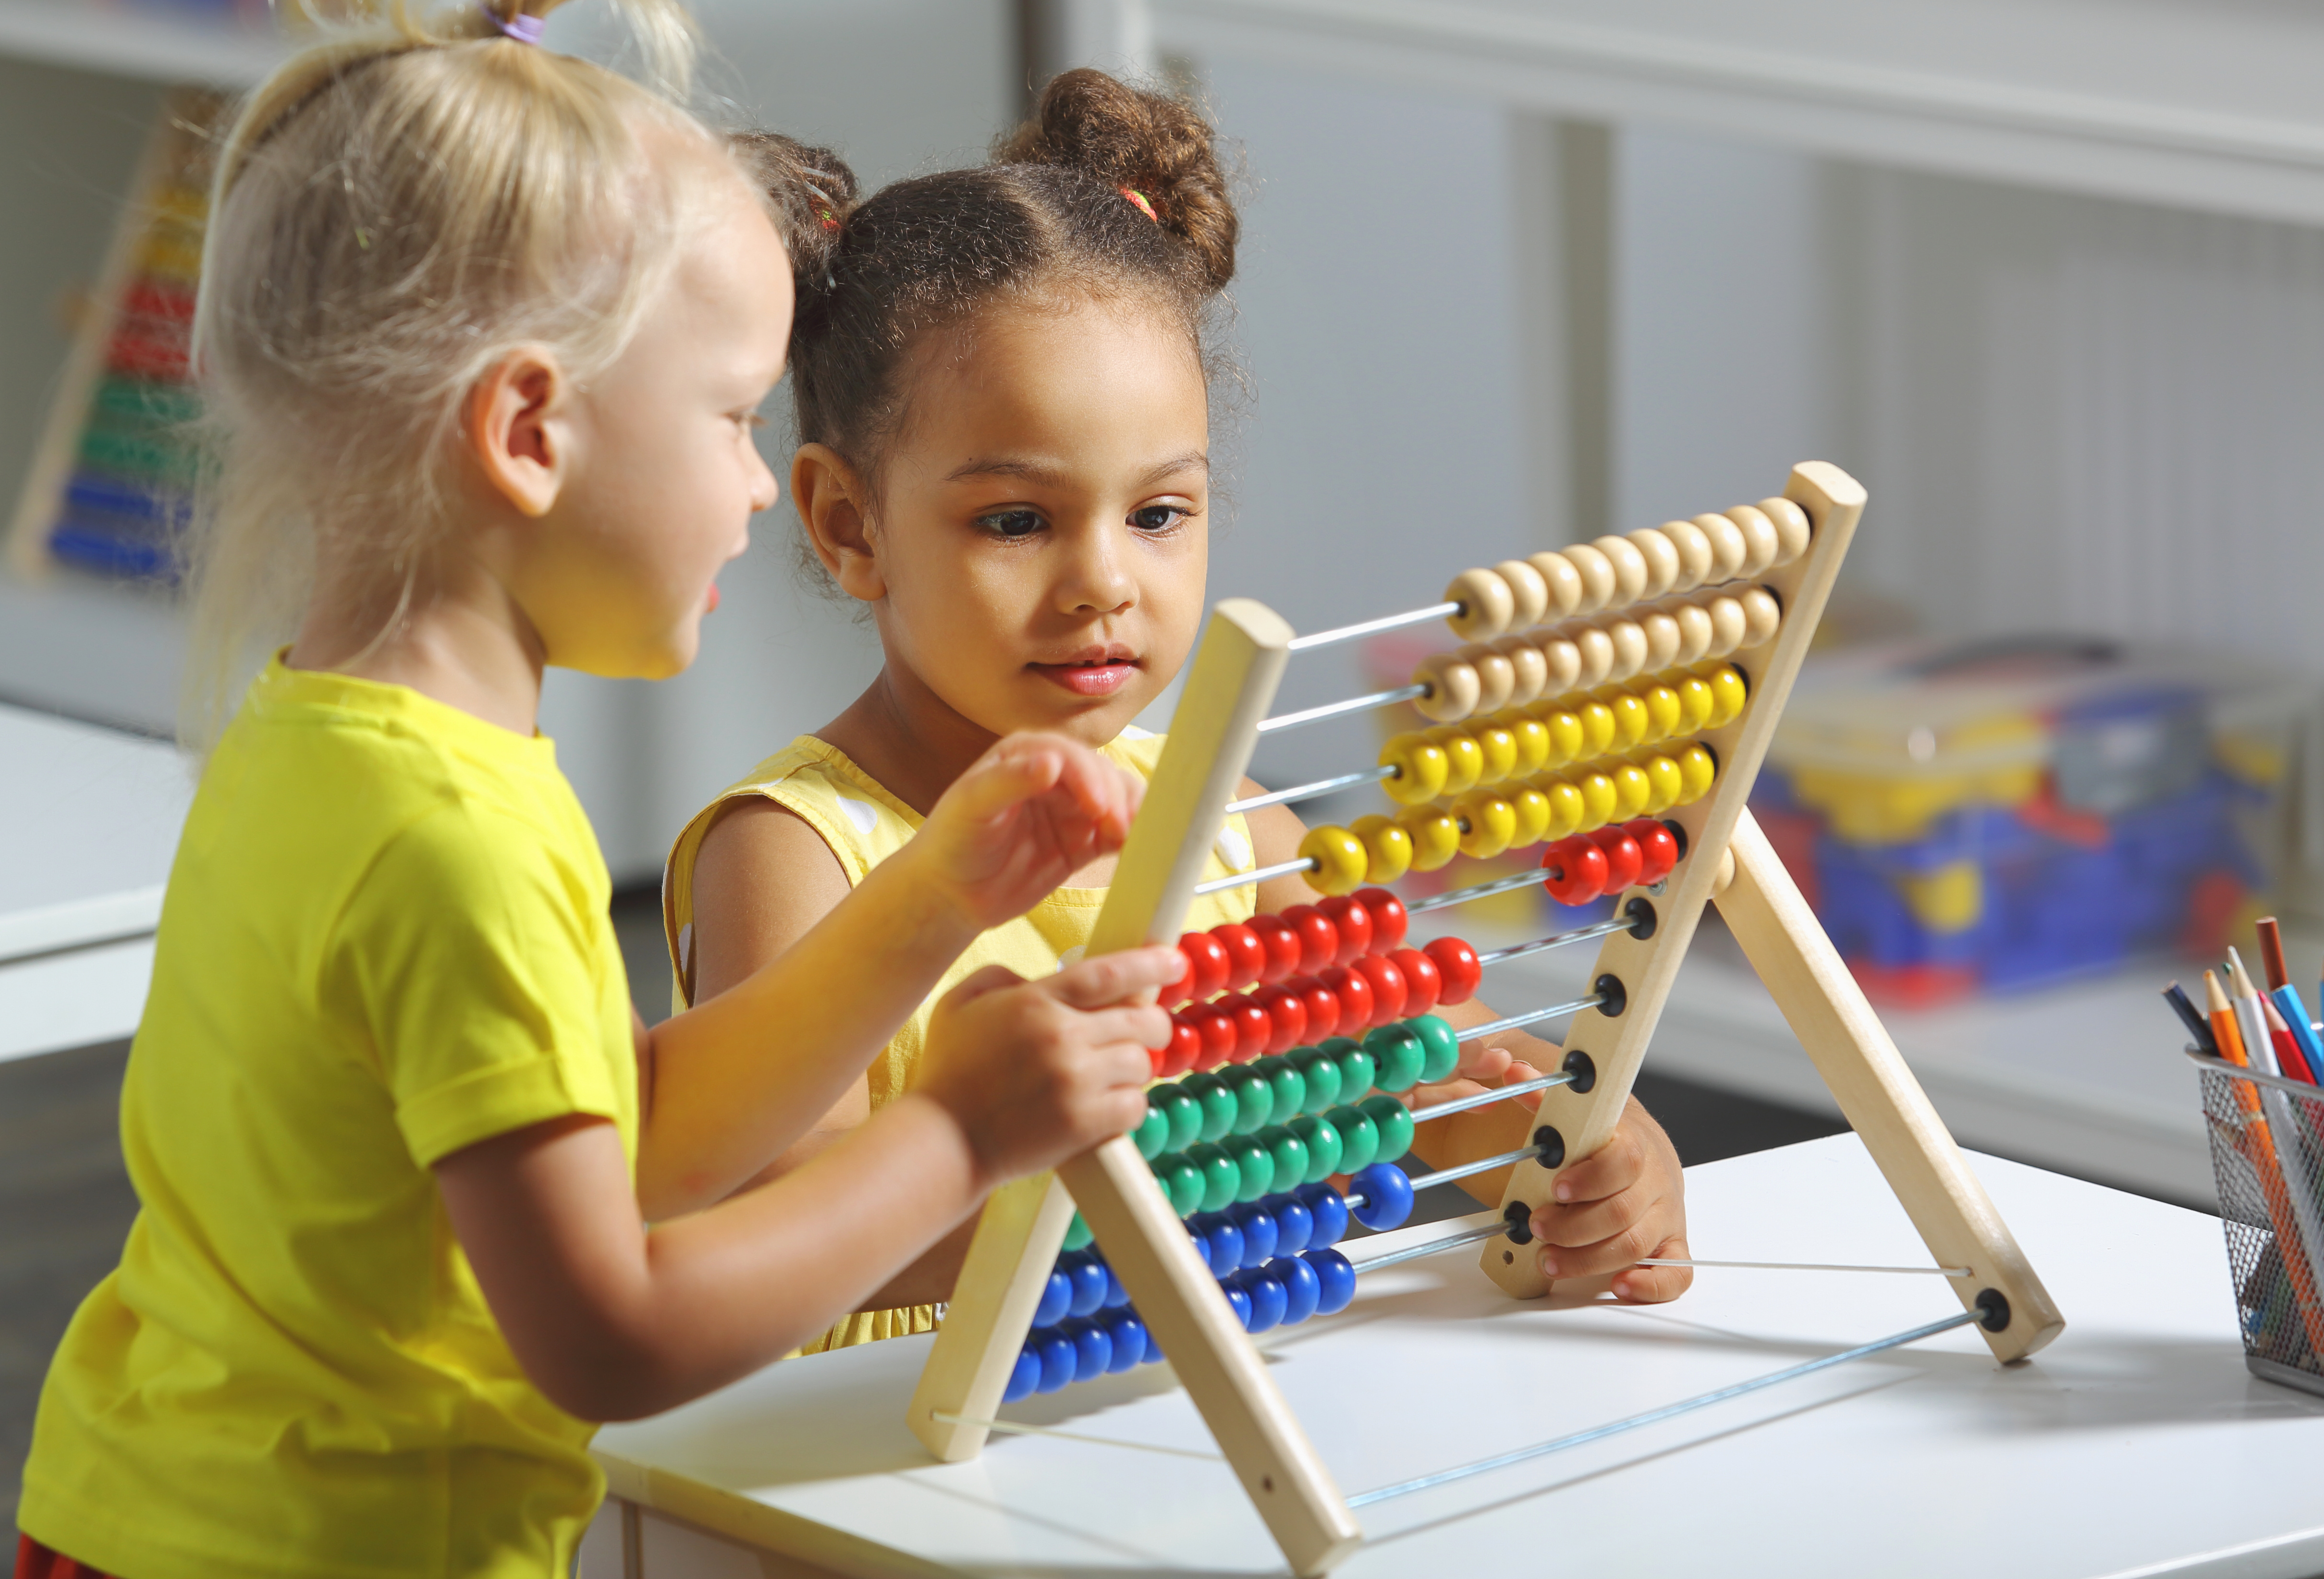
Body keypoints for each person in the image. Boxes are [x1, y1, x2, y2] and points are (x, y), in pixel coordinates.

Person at [12, 0, 1173, 1579]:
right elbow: (611, 1333)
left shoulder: (352, 738)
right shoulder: (450, 838)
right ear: (531, 431)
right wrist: (959, 1137)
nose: (757, 496)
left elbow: (606, 1135)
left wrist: (933, 894)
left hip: (157, 1512)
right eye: (727, 422)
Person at [671, 70, 1690, 1356]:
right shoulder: (798, 852)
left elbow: (1424, 1065)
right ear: (847, 524)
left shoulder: (1228, 825)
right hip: (875, 1478)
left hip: (1182, 1434)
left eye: (1158, 514)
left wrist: (1563, 1144)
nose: (1104, 581)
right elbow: (765, 1217)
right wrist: (1099, 1186)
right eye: (1017, 521)